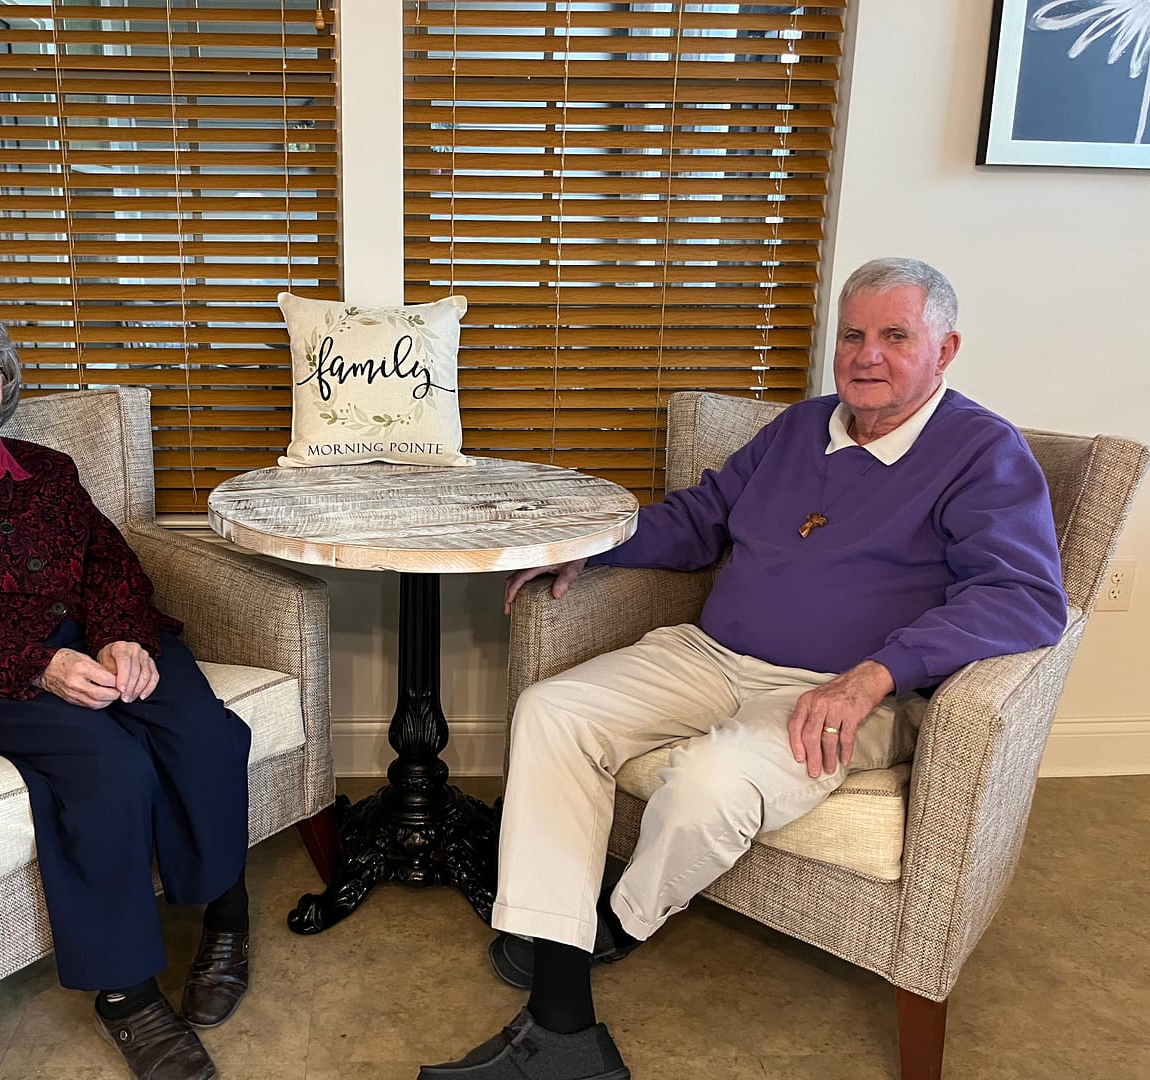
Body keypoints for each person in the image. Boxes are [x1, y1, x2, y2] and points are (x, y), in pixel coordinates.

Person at [417, 257, 1068, 1080]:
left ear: (945, 349)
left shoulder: (982, 453)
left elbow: (1026, 598)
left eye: (896, 337)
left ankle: (615, 920)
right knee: (553, 709)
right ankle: (563, 1010)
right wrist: (594, 547)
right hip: (713, 655)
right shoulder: (802, 428)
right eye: (854, 335)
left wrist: (879, 672)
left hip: (844, 694)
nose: (867, 356)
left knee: (713, 779)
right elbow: (698, 520)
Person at [0, 305, 250, 1080]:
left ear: (3, 386)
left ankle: (226, 910)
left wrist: (125, 634)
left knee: (201, 731)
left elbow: (110, 565)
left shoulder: (47, 471)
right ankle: (127, 994)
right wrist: (41, 666)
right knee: (108, 766)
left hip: (96, 640)